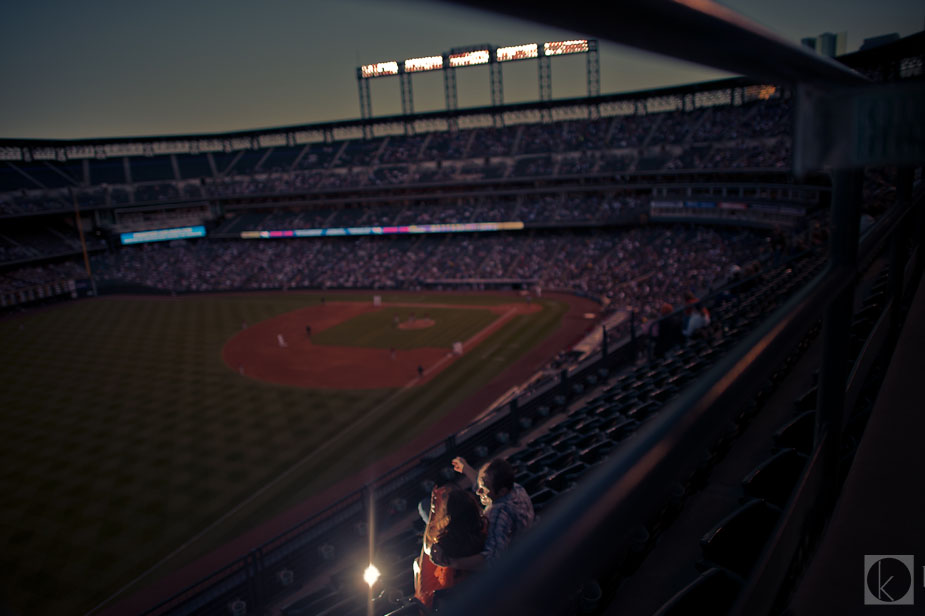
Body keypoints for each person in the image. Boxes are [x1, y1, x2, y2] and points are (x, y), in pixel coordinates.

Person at [434, 457, 534, 570]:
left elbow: (492, 559)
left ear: (502, 491)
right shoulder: (516, 488)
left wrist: (451, 563)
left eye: (484, 488)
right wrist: (466, 469)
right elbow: (484, 485)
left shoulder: (498, 514)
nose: (478, 491)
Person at [413, 485, 485, 610]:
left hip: (446, 595)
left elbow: (427, 547)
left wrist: (434, 511)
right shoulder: (484, 528)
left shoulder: (445, 543)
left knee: (419, 563)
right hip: (470, 588)